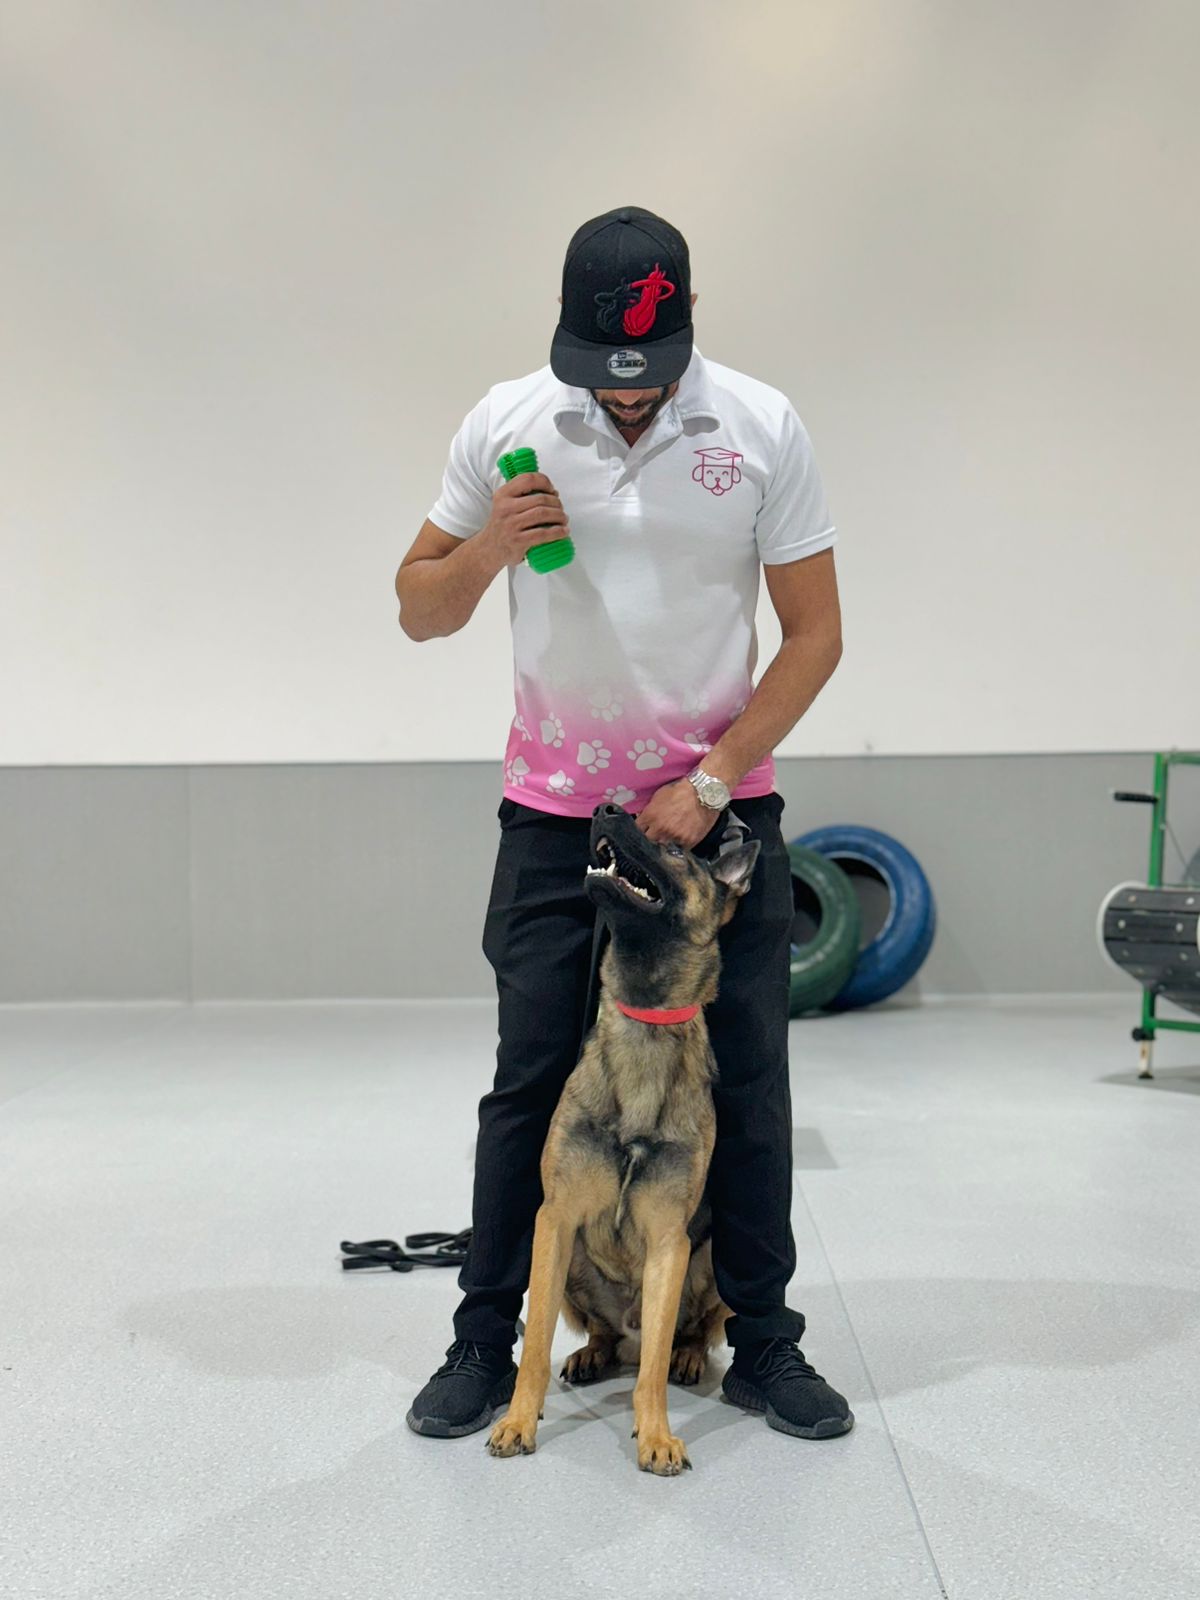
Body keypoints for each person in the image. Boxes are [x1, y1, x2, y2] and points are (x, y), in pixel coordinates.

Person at [395, 205, 850, 1443]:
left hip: (717, 813)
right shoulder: (506, 422)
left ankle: (767, 1345)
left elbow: (817, 636)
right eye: (608, 384)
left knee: (746, 1084)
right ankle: (484, 1343)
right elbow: (416, 609)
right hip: (556, 816)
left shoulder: (760, 425)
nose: (630, 404)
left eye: (650, 385)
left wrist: (712, 780)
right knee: (531, 1081)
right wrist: (490, 544)